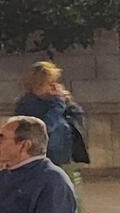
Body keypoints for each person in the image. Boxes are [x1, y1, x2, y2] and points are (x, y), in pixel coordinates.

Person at [14, 60, 89, 188]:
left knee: (73, 193)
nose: (53, 87)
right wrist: (58, 105)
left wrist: (69, 103)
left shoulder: (53, 101)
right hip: (48, 159)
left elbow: (77, 121)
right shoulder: (28, 105)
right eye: (49, 83)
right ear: (37, 85)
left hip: (66, 156)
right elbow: (44, 128)